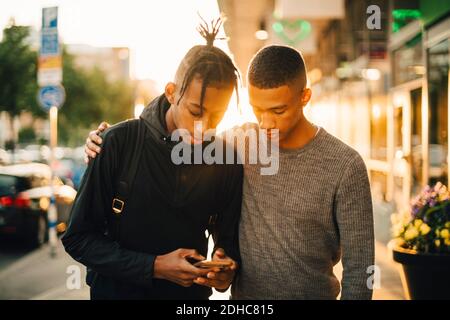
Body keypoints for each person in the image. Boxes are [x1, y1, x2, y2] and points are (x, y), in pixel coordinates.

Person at [85, 45, 375, 300]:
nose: (266, 123)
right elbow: (177, 128)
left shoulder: (345, 165)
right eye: (257, 109)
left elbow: (361, 270)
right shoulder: (236, 144)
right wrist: (104, 141)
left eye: (278, 110)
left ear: (305, 97)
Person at [62, 19, 243, 300]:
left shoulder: (227, 160)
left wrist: (223, 272)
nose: (204, 126)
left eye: (217, 116)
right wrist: (155, 267)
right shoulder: (117, 142)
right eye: (196, 111)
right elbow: (78, 238)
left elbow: (228, 244)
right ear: (171, 93)